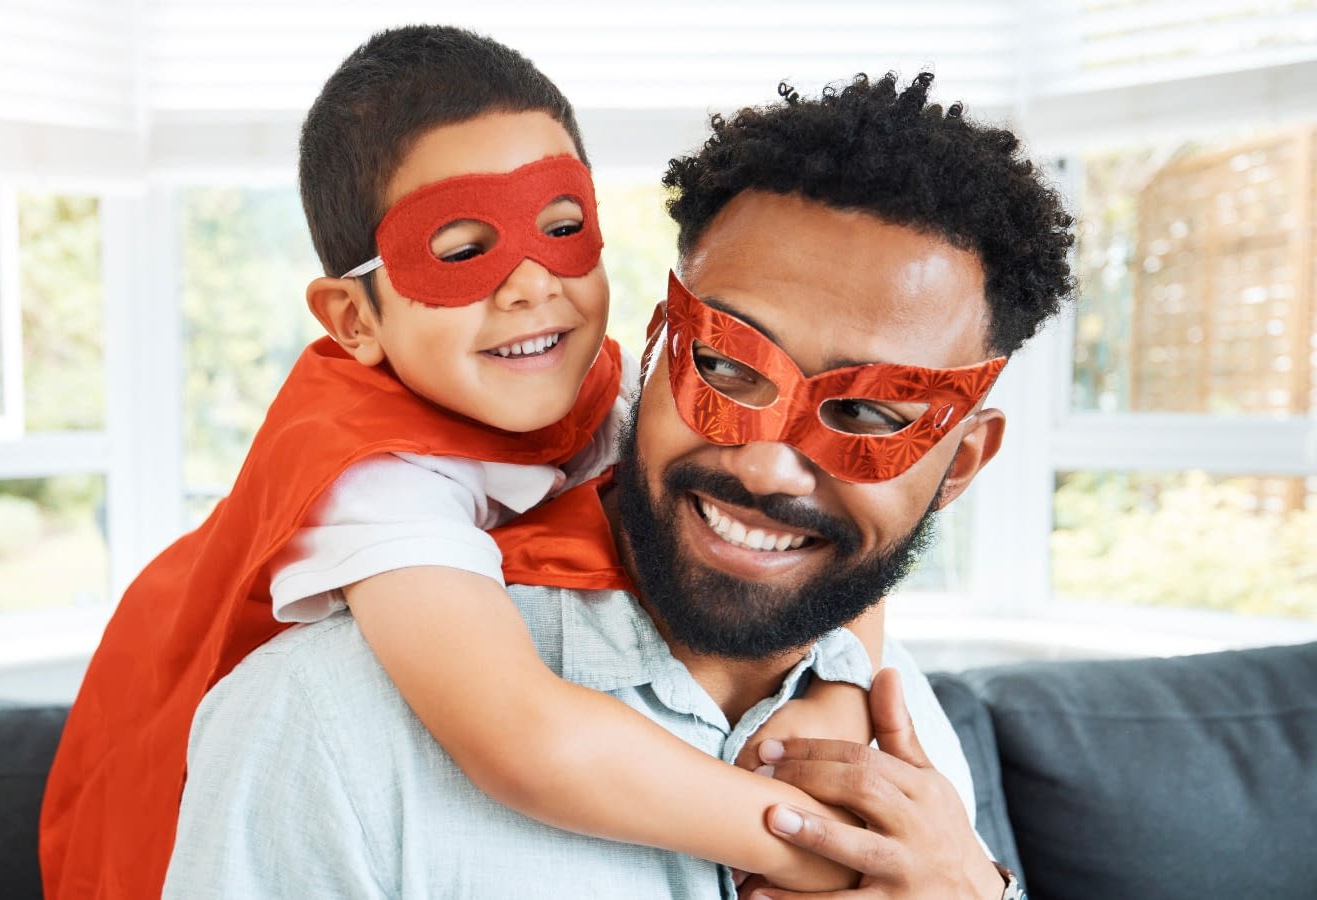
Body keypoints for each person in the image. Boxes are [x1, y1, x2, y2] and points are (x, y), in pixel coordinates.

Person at [160, 69, 1074, 899]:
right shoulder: (327, 711)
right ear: (660, 345)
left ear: (958, 464)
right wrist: (813, 841)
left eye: (870, 414)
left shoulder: (892, 720)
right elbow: (526, 741)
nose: (764, 463)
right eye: (725, 365)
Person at [42, 26, 884, 900]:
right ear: (354, 319)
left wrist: (839, 694)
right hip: (193, 760)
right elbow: (524, 741)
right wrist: (810, 845)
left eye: (562, 227)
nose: (530, 285)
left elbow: (840, 514)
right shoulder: (370, 477)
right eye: (459, 253)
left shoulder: (605, 384)